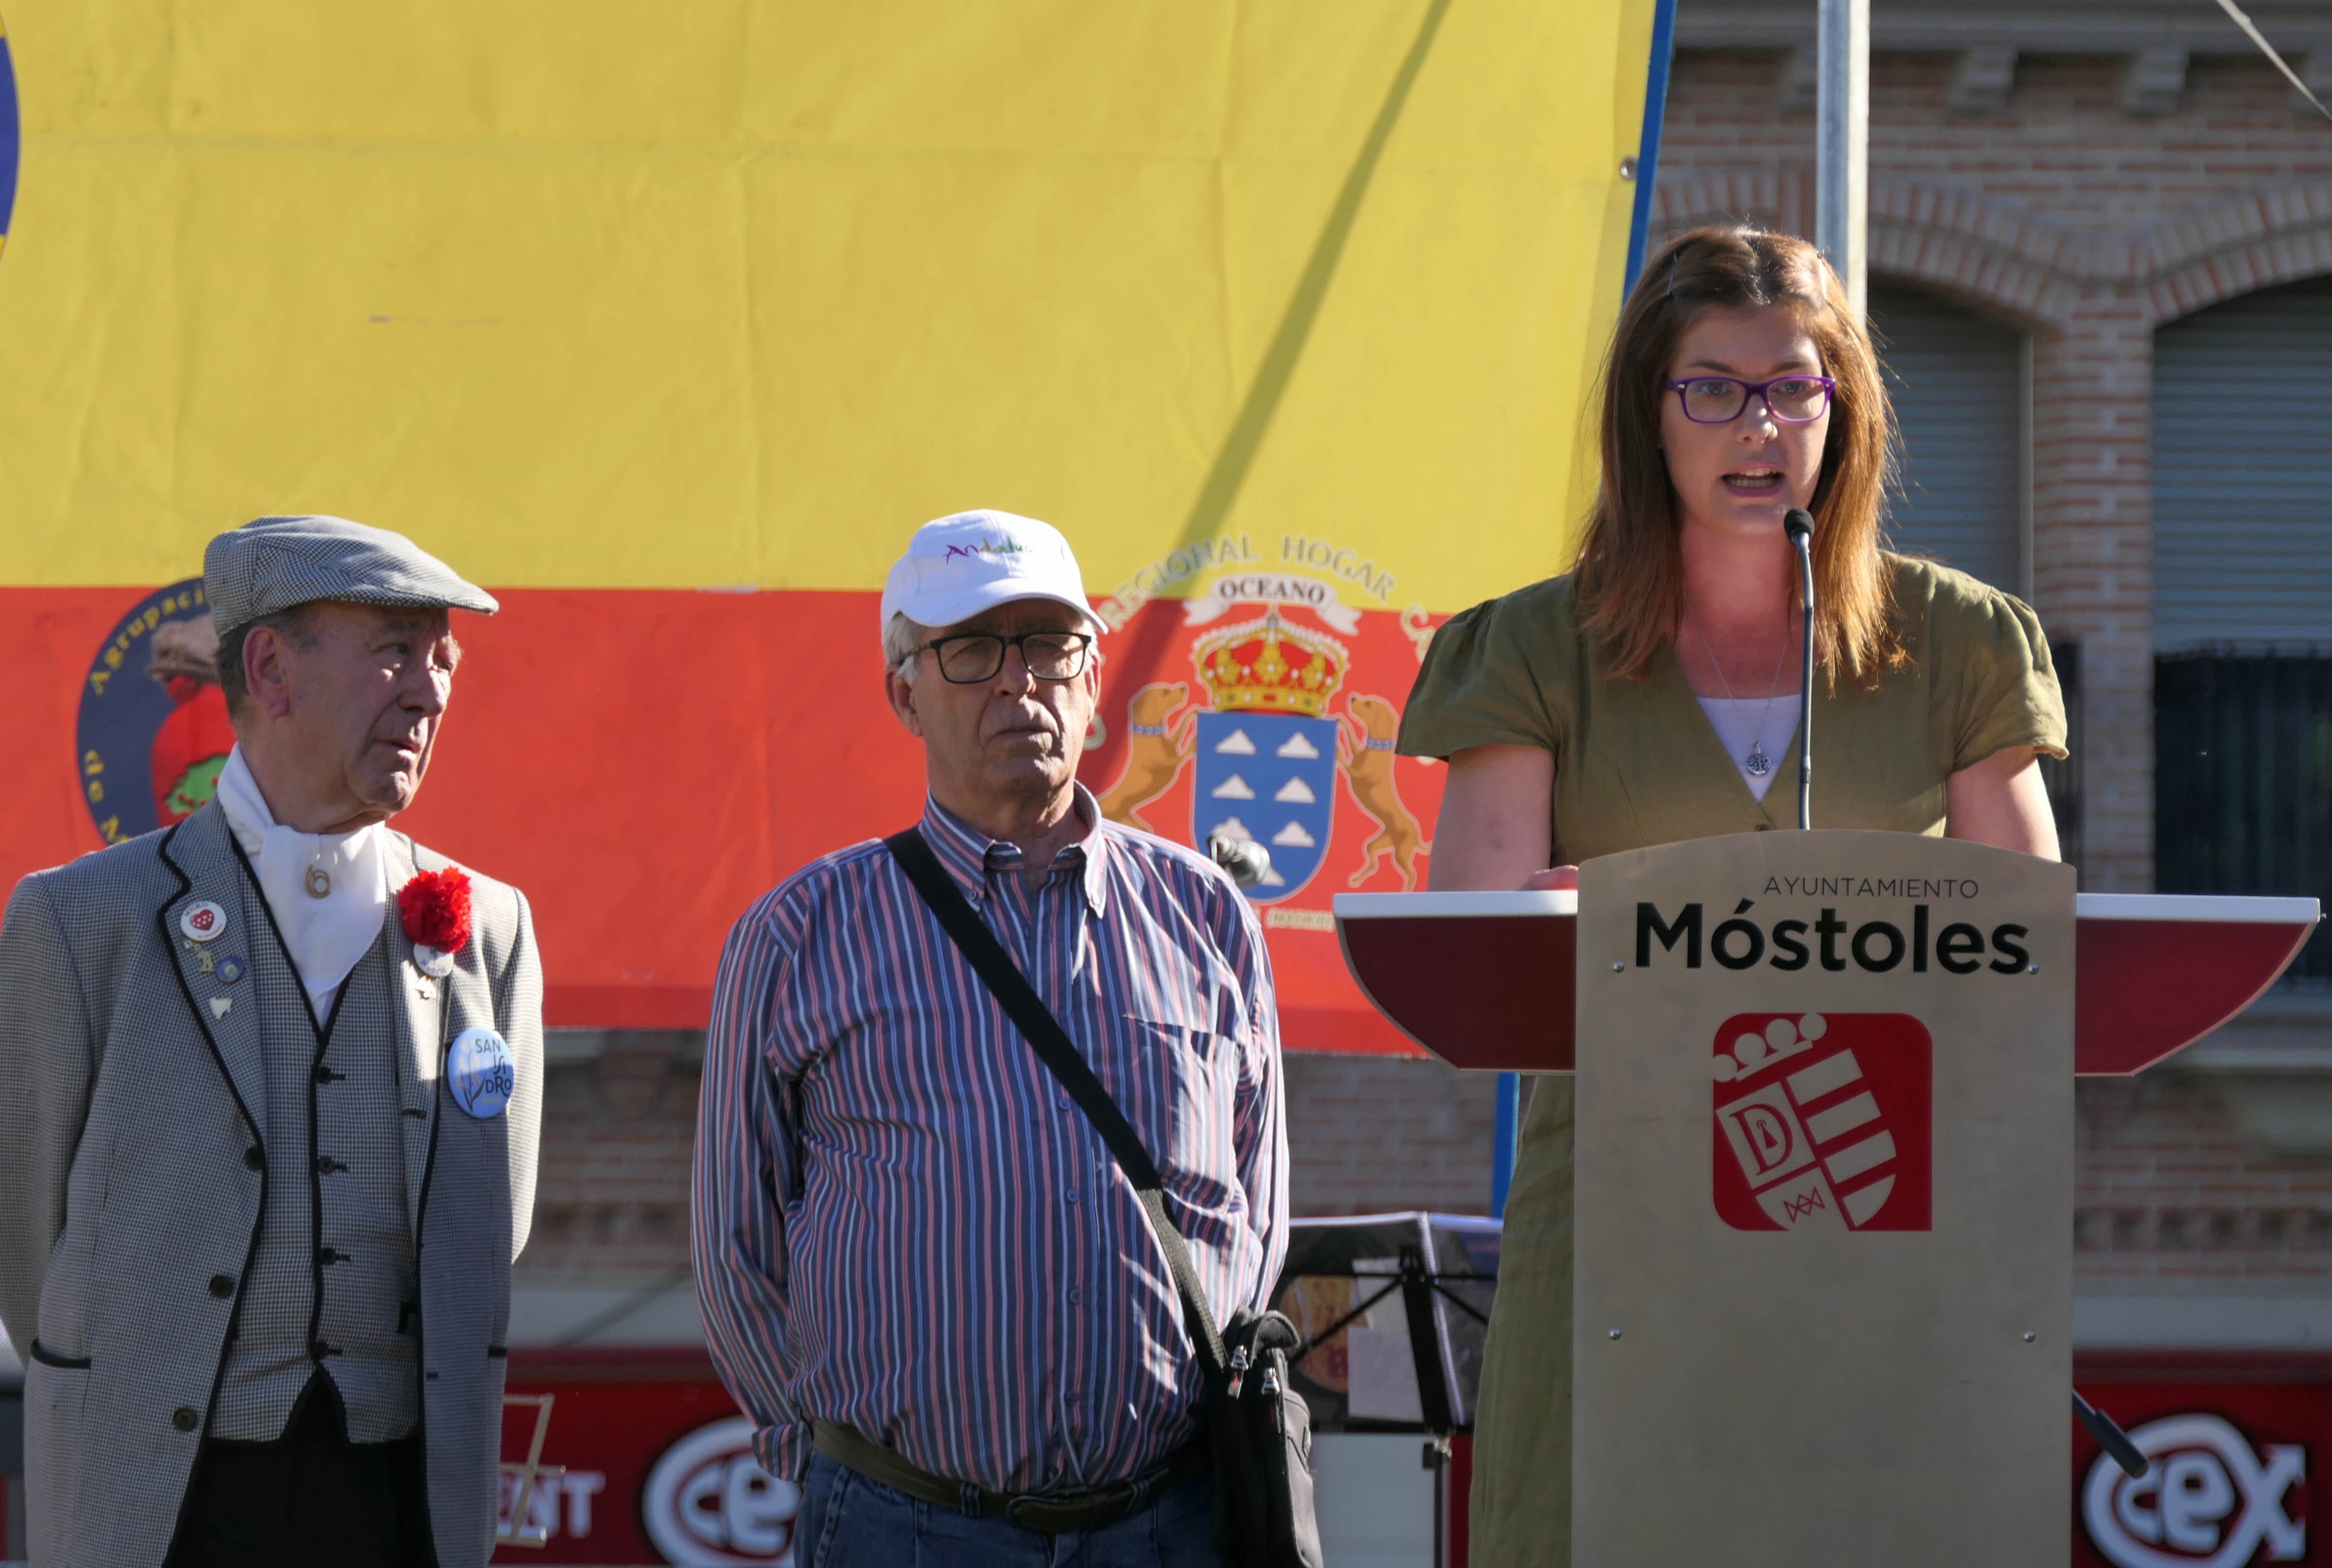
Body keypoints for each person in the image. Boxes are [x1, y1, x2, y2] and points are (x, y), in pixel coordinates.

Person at [1397, 227, 2067, 1566]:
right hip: (1613, 1237)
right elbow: (1473, 964)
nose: (1757, 426)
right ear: (1646, 415)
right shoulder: (1530, 647)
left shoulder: (1962, 642)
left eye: (1793, 387)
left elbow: (2025, 954)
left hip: (1881, 1225)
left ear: (1845, 410)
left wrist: (1632, 910)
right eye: (1712, 388)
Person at [694, 508, 1287, 1566]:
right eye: (970, 650)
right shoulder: (801, 933)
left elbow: (1258, 1208)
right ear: (904, 694)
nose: (1018, 683)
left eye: (1049, 645)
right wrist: (821, 1454)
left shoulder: (1207, 916)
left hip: (1169, 1524)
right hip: (905, 1526)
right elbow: (734, 1237)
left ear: (1093, 677)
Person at [0, 514, 544, 1568]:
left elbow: (495, 1225)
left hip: (397, 1501)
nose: (430, 694)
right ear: (269, 669)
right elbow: (26, 1242)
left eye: (443, 660)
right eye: (394, 650)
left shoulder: (490, 927)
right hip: (157, 1506)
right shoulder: (82, 920)